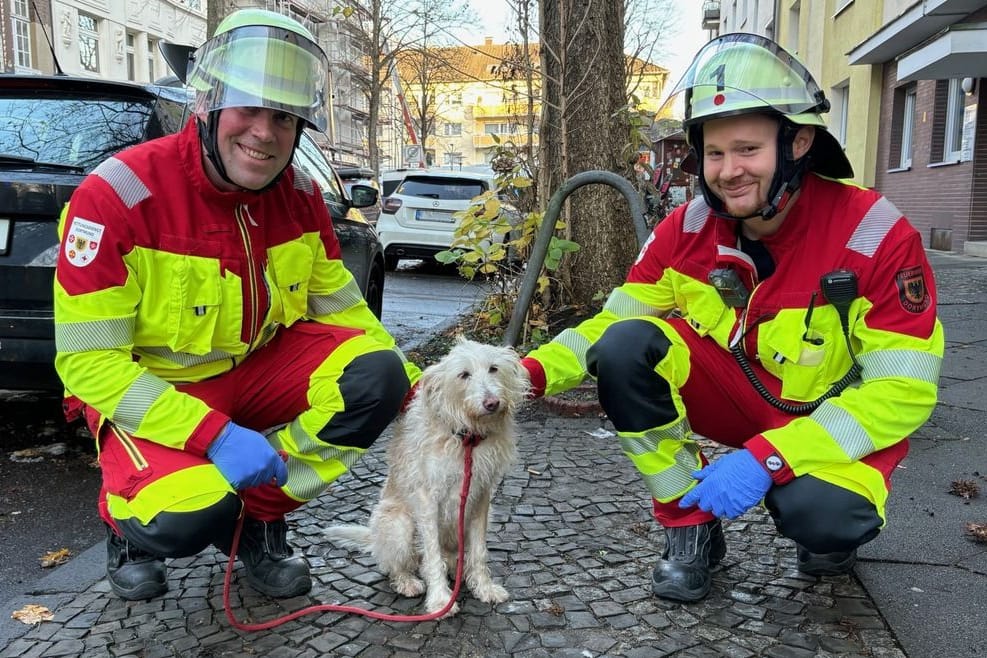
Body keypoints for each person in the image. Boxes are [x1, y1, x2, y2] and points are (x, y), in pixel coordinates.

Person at [520, 33, 944, 603]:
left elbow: (902, 391)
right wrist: (521, 376)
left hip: (829, 414)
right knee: (625, 348)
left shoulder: (876, 235)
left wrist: (770, 458)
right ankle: (688, 527)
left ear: (797, 144)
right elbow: (610, 325)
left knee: (823, 515)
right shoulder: (688, 229)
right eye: (714, 154)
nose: (727, 171)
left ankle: (824, 534)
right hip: (737, 395)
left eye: (747, 149)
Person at [53, 9, 419, 601]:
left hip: (251, 375)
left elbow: (346, 315)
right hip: (156, 389)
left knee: (382, 373)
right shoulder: (117, 197)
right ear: (210, 105)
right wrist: (216, 436)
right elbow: (90, 366)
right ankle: (129, 532)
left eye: (283, 116)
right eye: (248, 108)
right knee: (183, 520)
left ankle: (256, 520)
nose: (264, 132)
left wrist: (419, 385)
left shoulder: (298, 197)